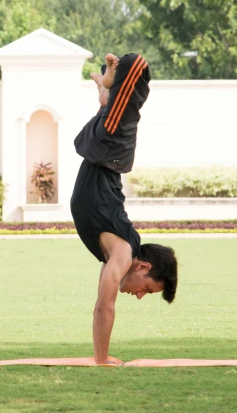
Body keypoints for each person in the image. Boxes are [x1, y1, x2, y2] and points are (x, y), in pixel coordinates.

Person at [71, 52, 178, 366]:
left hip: (103, 149)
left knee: (112, 111)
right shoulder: (122, 254)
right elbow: (106, 306)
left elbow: (99, 305)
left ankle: (106, 93)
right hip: (112, 149)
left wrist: (100, 356)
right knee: (138, 66)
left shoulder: (115, 254)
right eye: (148, 288)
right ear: (144, 267)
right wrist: (102, 362)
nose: (141, 295)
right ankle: (113, 81)